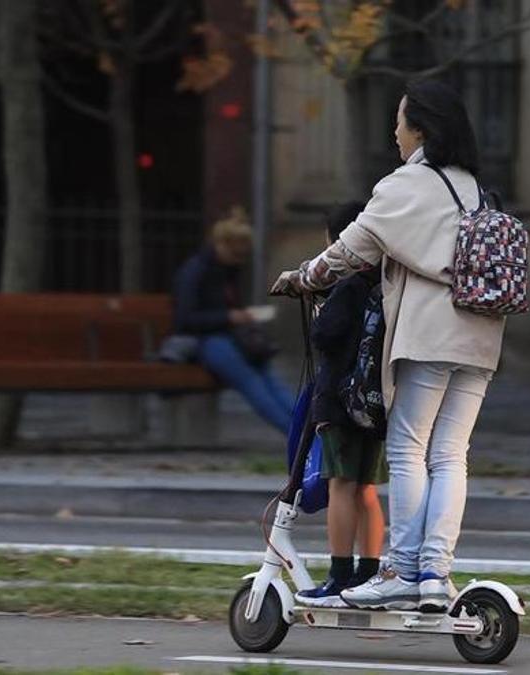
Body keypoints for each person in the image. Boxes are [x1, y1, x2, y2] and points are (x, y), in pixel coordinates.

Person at [272, 79, 506, 613]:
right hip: (482, 334)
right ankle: (433, 574)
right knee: (451, 456)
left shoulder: (406, 186)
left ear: (420, 128)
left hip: (429, 335)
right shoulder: (471, 185)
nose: (393, 132)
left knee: (408, 450)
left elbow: (348, 250)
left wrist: (301, 278)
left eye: (399, 122)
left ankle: (401, 569)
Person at [294, 201, 388, 608]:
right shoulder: (384, 283)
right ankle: (370, 572)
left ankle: (339, 574)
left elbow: (325, 336)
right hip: (374, 403)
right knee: (367, 489)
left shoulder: (347, 286)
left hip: (339, 402)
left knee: (340, 487)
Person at [174, 207, 293, 435]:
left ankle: (306, 432)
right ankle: (296, 436)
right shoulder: (196, 271)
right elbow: (184, 320)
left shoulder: (227, 271)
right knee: (251, 381)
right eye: (236, 254)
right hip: (204, 340)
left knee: (269, 376)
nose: (239, 260)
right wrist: (229, 316)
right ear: (222, 245)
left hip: (230, 336)